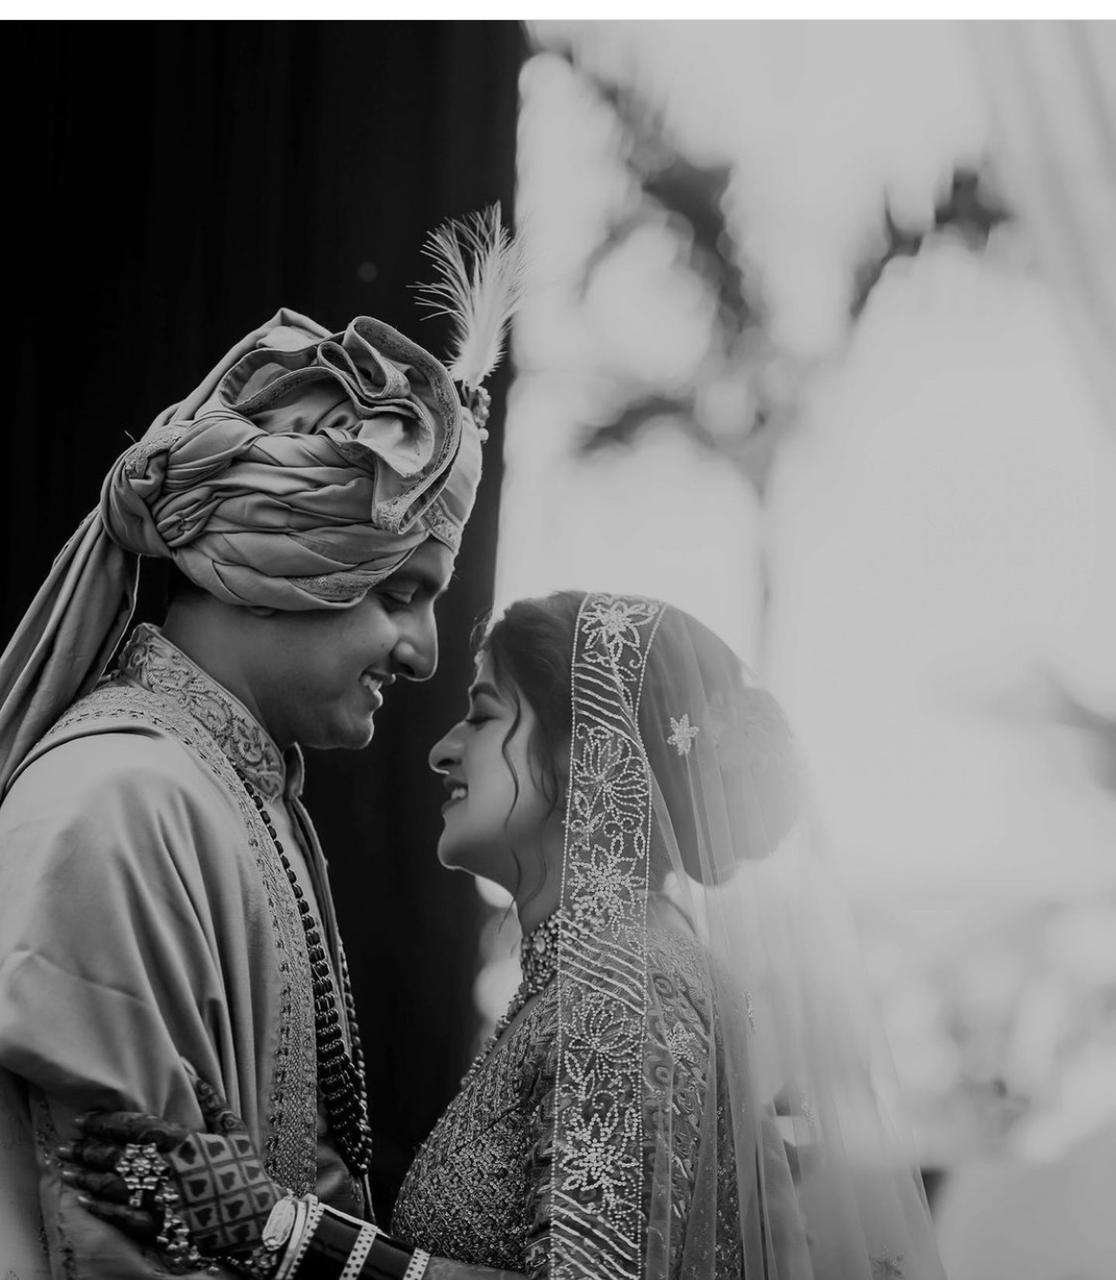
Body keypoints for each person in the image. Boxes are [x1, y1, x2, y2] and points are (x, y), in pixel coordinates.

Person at [63, 590, 948, 1280]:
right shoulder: (600, 973)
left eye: (484, 715)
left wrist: (275, 1229)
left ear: (587, 754)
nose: (442, 750)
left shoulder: (623, 992)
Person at [0, 210, 522, 1278]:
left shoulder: (225, 787)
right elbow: (114, 1221)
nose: (423, 653)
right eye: (402, 594)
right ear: (283, 565)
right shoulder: (119, 798)